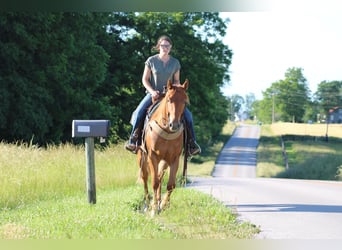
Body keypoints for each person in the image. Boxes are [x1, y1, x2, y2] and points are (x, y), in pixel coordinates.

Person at [125, 35, 201, 156]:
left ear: (170, 47)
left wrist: (179, 88)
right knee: (139, 111)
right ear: (158, 46)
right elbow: (145, 80)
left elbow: (176, 81)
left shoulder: (175, 63)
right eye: (163, 45)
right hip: (153, 94)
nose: (165, 48)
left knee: (188, 116)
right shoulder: (151, 61)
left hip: (170, 96)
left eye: (167, 46)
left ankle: (192, 144)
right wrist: (152, 91)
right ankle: (133, 140)